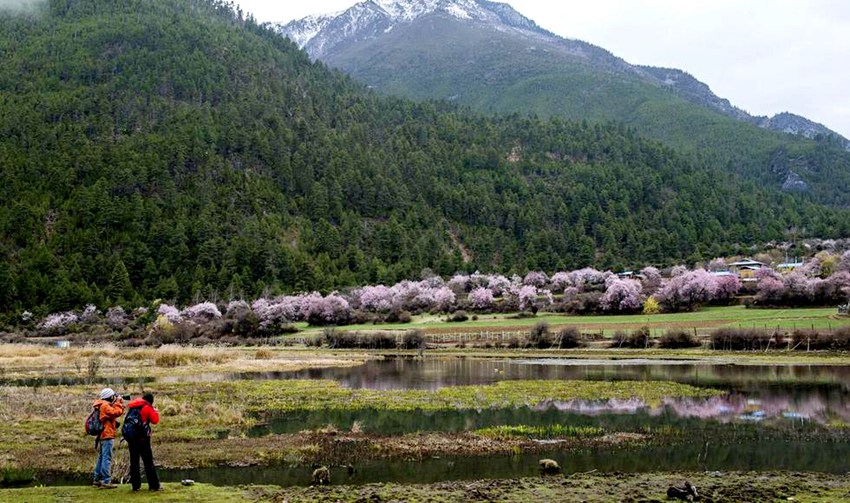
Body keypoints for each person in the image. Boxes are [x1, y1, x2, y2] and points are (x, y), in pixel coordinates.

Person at [125, 392, 161, 491]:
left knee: (134, 461)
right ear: (151, 401)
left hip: (132, 438)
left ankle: (135, 486)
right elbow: (155, 421)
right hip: (143, 438)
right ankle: (154, 486)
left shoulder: (133, 407)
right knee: (148, 462)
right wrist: (155, 411)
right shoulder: (147, 407)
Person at [92, 388, 124, 489]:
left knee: (101, 457)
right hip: (107, 434)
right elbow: (116, 412)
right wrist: (118, 402)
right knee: (106, 458)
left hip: (103, 434)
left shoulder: (101, 404)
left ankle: (97, 479)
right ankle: (106, 481)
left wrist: (116, 402)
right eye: (113, 396)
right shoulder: (105, 406)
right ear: (109, 396)